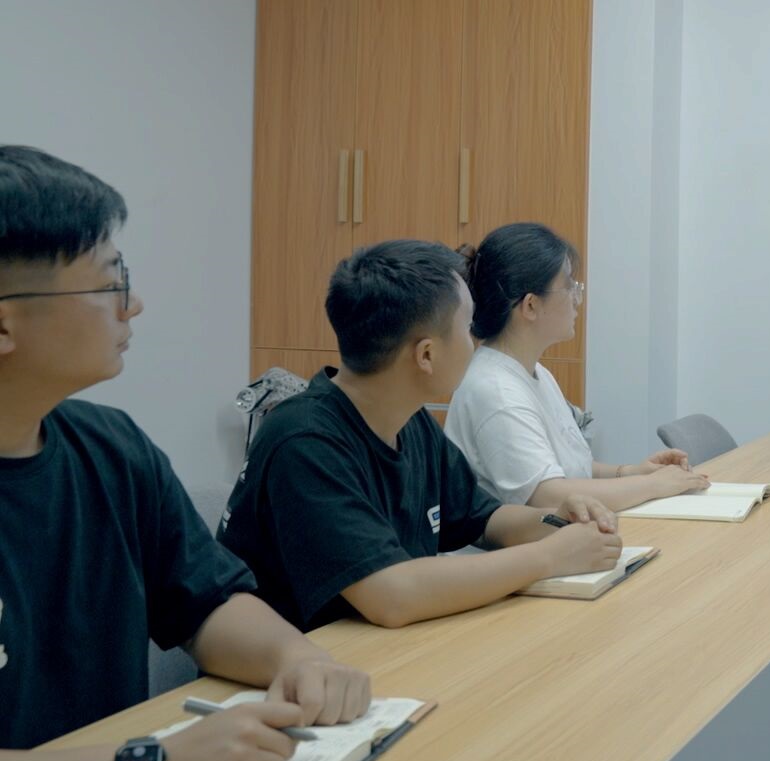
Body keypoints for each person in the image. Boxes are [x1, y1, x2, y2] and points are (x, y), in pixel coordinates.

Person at [0, 147, 371, 761]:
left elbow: (207, 602)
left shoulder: (111, 447)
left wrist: (297, 656)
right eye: (109, 283)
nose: (134, 305)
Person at [218, 240, 624, 632]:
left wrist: (556, 520)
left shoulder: (410, 421)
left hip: (381, 647)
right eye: (467, 328)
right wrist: (549, 556)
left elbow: (483, 518)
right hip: (301, 665)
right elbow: (390, 595)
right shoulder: (304, 441)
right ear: (426, 354)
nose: (475, 344)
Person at [446, 223, 704, 510]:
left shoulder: (535, 373)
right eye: (569, 286)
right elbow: (548, 494)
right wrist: (655, 485)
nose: (577, 298)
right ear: (530, 306)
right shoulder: (495, 392)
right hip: (522, 538)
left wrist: (632, 472)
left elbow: (569, 468)